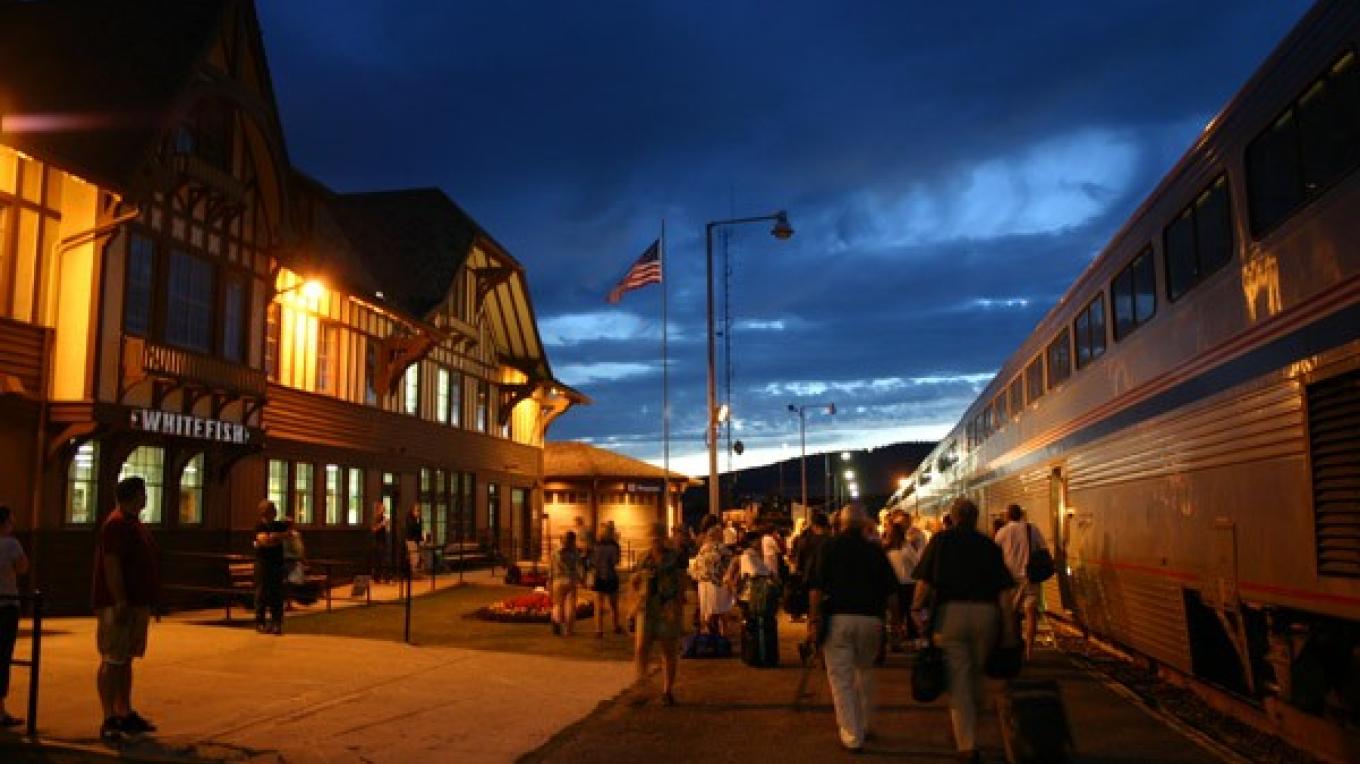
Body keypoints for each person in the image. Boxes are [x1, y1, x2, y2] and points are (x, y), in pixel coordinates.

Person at [913, 498, 1017, 762]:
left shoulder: (941, 541)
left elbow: (924, 582)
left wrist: (916, 609)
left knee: (958, 680)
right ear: (975, 517)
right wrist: (1008, 628)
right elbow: (1004, 592)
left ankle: (967, 745)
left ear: (954, 517)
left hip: (951, 615)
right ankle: (974, 713)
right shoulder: (988, 545)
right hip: (986, 615)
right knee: (977, 672)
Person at [806, 503, 901, 753]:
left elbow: (815, 588)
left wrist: (813, 620)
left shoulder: (828, 548)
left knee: (841, 680)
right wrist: (897, 622)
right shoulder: (875, 552)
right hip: (871, 621)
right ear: (865, 526)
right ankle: (866, 723)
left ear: (841, 524)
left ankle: (852, 735)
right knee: (865, 672)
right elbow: (891, 591)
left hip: (838, 619)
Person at [92, 476, 161, 743]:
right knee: (112, 658)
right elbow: (111, 563)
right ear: (133, 495)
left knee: (126, 658)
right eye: (143, 493)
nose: (146, 498)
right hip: (119, 603)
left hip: (136, 602)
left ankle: (125, 710)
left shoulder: (133, 523)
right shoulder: (116, 524)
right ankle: (109, 717)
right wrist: (119, 599)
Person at [631, 523, 686, 705]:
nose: (654, 540)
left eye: (657, 537)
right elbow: (635, 582)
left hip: (666, 608)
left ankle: (667, 691)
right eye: (651, 537)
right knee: (641, 648)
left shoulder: (674, 558)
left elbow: (681, 584)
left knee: (668, 650)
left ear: (664, 538)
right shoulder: (643, 558)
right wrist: (636, 584)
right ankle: (642, 686)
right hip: (646, 608)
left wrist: (677, 609)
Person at [993, 504, 1050, 659]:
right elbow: (1043, 548)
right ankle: (1029, 651)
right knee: (1031, 614)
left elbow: (995, 555)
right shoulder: (1032, 529)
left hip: (1010, 580)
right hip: (1029, 578)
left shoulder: (1002, 532)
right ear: (1021, 515)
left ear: (1008, 516)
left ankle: (1015, 647)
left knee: (1012, 615)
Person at [0, 505, 28, 728]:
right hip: (6, 605)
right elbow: (22, 568)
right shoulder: (11, 544)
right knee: (2, 656)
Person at [884, 522, 925, 648]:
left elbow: (916, 563)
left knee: (907, 613)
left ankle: (911, 640)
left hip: (908, 584)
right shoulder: (887, 548)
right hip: (895, 585)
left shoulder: (906, 547)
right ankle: (896, 640)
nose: (889, 534)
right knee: (896, 614)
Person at [691, 526, 734, 636]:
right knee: (722, 610)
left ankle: (707, 635)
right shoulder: (721, 548)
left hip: (704, 583)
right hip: (718, 582)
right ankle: (723, 635)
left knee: (706, 610)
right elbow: (730, 563)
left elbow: (696, 565)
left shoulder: (703, 548)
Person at [253, 501, 288, 634]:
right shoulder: (259, 526)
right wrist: (276, 539)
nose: (274, 512)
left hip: (277, 564)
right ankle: (260, 622)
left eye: (274, 510)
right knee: (261, 593)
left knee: (277, 594)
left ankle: (276, 623)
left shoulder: (278, 525)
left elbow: (290, 534)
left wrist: (276, 537)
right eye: (272, 510)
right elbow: (264, 542)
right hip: (263, 564)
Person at [590, 523, 623, 637]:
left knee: (598, 605)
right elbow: (615, 561)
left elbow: (592, 562)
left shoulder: (596, 546)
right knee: (614, 604)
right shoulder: (614, 546)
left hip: (598, 576)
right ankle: (616, 625)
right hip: (611, 576)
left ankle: (599, 630)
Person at [550, 530, 584, 636]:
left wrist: (549, 580)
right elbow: (579, 567)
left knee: (558, 605)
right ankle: (569, 630)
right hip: (571, 579)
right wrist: (581, 579)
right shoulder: (575, 552)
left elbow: (550, 567)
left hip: (558, 580)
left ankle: (558, 626)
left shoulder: (555, 552)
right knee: (570, 605)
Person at [370, 502, 391, 583]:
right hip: (377, 542)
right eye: (382, 507)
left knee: (384, 560)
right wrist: (382, 524)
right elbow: (373, 529)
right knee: (379, 561)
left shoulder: (383, 517)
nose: (384, 508)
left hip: (383, 541)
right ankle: (377, 577)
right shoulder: (375, 518)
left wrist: (387, 525)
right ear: (379, 509)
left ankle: (385, 578)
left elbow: (386, 530)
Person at [405, 505, 424, 578]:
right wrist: (417, 521)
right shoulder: (410, 519)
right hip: (411, 540)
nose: (418, 512)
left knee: (419, 556)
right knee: (414, 557)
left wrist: (421, 538)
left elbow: (419, 530)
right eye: (417, 511)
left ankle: (417, 573)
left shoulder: (418, 519)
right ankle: (413, 574)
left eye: (419, 511)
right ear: (413, 511)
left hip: (417, 540)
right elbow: (412, 528)